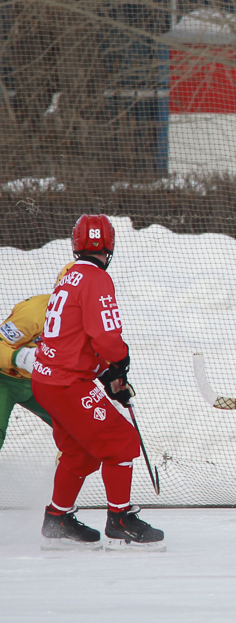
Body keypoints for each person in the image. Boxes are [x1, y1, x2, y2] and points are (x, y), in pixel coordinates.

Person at [31, 215, 164, 551]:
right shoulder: (97, 278)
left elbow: (74, 335)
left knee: (79, 451)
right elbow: (105, 337)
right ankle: (120, 519)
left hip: (46, 380)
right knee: (121, 441)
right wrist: (119, 364)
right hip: (67, 382)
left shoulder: (69, 276)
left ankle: (57, 518)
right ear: (110, 245)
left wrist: (106, 374)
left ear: (76, 244)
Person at [1, 292, 56, 450]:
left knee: (77, 428)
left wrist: (112, 374)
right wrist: (20, 357)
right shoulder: (33, 312)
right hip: (4, 379)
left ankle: (69, 470)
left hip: (42, 381)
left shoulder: (87, 317)